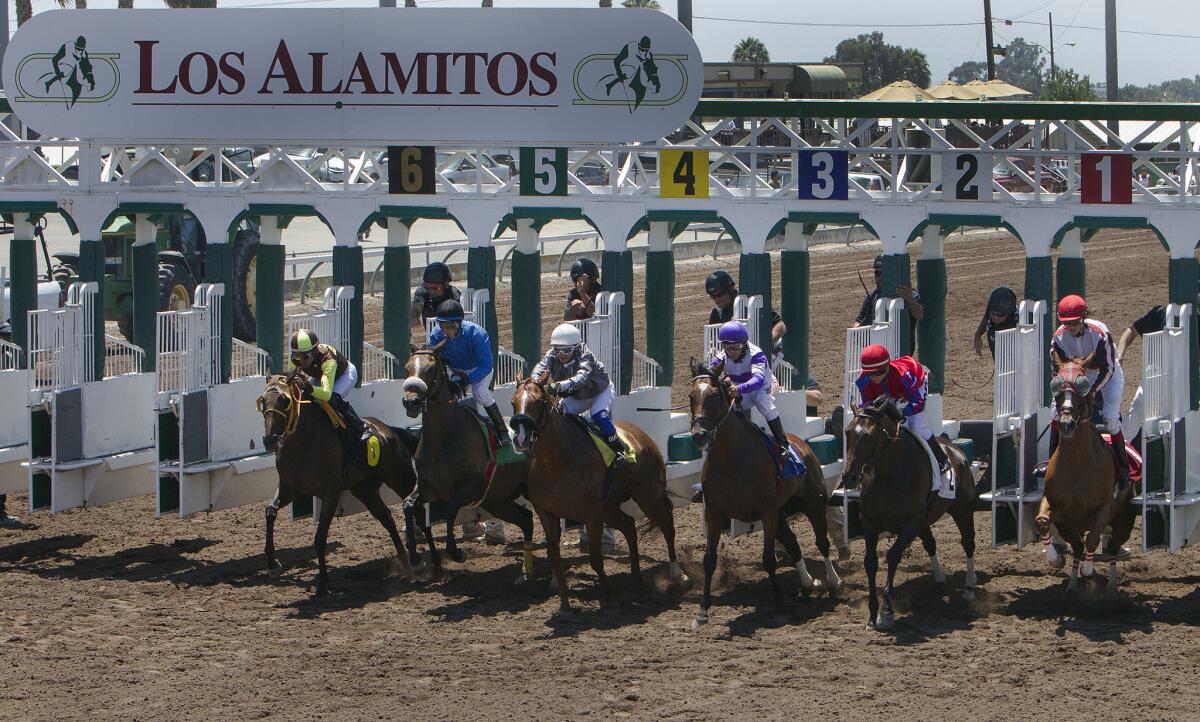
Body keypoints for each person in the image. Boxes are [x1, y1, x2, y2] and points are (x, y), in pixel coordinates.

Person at [1049, 294, 1130, 494]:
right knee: (1055, 414)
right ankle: (1050, 462)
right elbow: (1057, 369)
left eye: (1075, 323)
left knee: (1110, 420)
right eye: (1067, 324)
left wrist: (1092, 391)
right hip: (1075, 377)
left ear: (1083, 318)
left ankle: (1124, 471)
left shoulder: (1099, 333)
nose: (1071, 327)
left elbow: (1108, 369)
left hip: (1106, 376)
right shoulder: (1058, 337)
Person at [856, 344, 953, 499]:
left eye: (879, 372)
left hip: (915, 387)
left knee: (916, 425)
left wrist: (903, 412)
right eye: (870, 374)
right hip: (890, 391)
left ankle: (942, 460)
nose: (875, 377)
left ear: (887, 368)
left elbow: (918, 402)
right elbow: (868, 404)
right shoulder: (863, 381)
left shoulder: (904, 375)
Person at [533, 323, 628, 464]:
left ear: (576, 347)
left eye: (566, 350)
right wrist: (534, 382)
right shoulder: (552, 355)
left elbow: (581, 378)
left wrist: (556, 386)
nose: (560, 354)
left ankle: (619, 451)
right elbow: (539, 369)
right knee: (557, 413)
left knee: (598, 415)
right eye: (557, 349)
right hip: (578, 396)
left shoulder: (586, 355)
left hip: (600, 392)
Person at [709, 321, 800, 466]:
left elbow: (757, 380)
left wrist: (738, 389)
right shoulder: (722, 357)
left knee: (764, 403)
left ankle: (783, 444)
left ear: (744, 344)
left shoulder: (756, 354)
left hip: (761, 388)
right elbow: (709, 372)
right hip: (740, 390)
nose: (731, 352)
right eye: (727, 347)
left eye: (736, 347)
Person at [427, 299, 511, 447]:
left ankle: (502, 431)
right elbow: (437, 361)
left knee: (480, 392)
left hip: (479, 369)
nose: (446, 331)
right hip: (455, 370)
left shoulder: (477, 334)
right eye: (442, 326)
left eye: (450, 326)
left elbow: (486, 365)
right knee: (447, 395)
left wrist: (466, 381)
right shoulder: (435, 335)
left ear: (459, 323)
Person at [287, 329, 369, 478]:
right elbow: (289, 382)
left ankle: (361, 427)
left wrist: (307, 386)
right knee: (306, 398)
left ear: (314, 352)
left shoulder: (328, 359)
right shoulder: (295, 358)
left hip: (343, 375)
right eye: (297, 357)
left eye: (305, 357)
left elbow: (326, 393)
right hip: (321, 375)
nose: (301, 362)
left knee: (333, 399)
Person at [1115, 304, 1167, 442]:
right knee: (1136, 413)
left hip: (1186, 383)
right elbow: (1132, 330)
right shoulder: (1162, 313)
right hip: (1155, 376)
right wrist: (1120, 354)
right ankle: (1117, 456)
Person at [705, 270, 786, 356]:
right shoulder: (717, 313)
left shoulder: (750, 304)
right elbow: (714, 342)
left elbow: (781, 326)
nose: (717, 300)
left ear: (730, 289)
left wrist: (765, 345)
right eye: (713, 296)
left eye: (720, 295)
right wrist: (713, 349)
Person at [854, 255, 923, 352]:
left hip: (901, 351)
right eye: (877, 273)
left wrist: (910, 300)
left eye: (884, 273)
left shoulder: (908, 294)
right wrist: (856, 331)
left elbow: (920, 315)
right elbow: (860, 320)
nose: (880, 277)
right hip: (877, 352)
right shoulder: (872, 296)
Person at [410, 261, 462, 328]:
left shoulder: (454, 294)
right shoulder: (423, 291)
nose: (431, 291)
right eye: (429, 287)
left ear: (445, 285)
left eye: (435, 288)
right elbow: (417, 304)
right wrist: (415, 316)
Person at [973, 286, 1019, 359]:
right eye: (993, 314)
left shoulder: (1016, 323)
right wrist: (978, 334)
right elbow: (987, 315)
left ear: (1010, 312)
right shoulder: (993, 308)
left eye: (1000, 315)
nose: (995, 317)